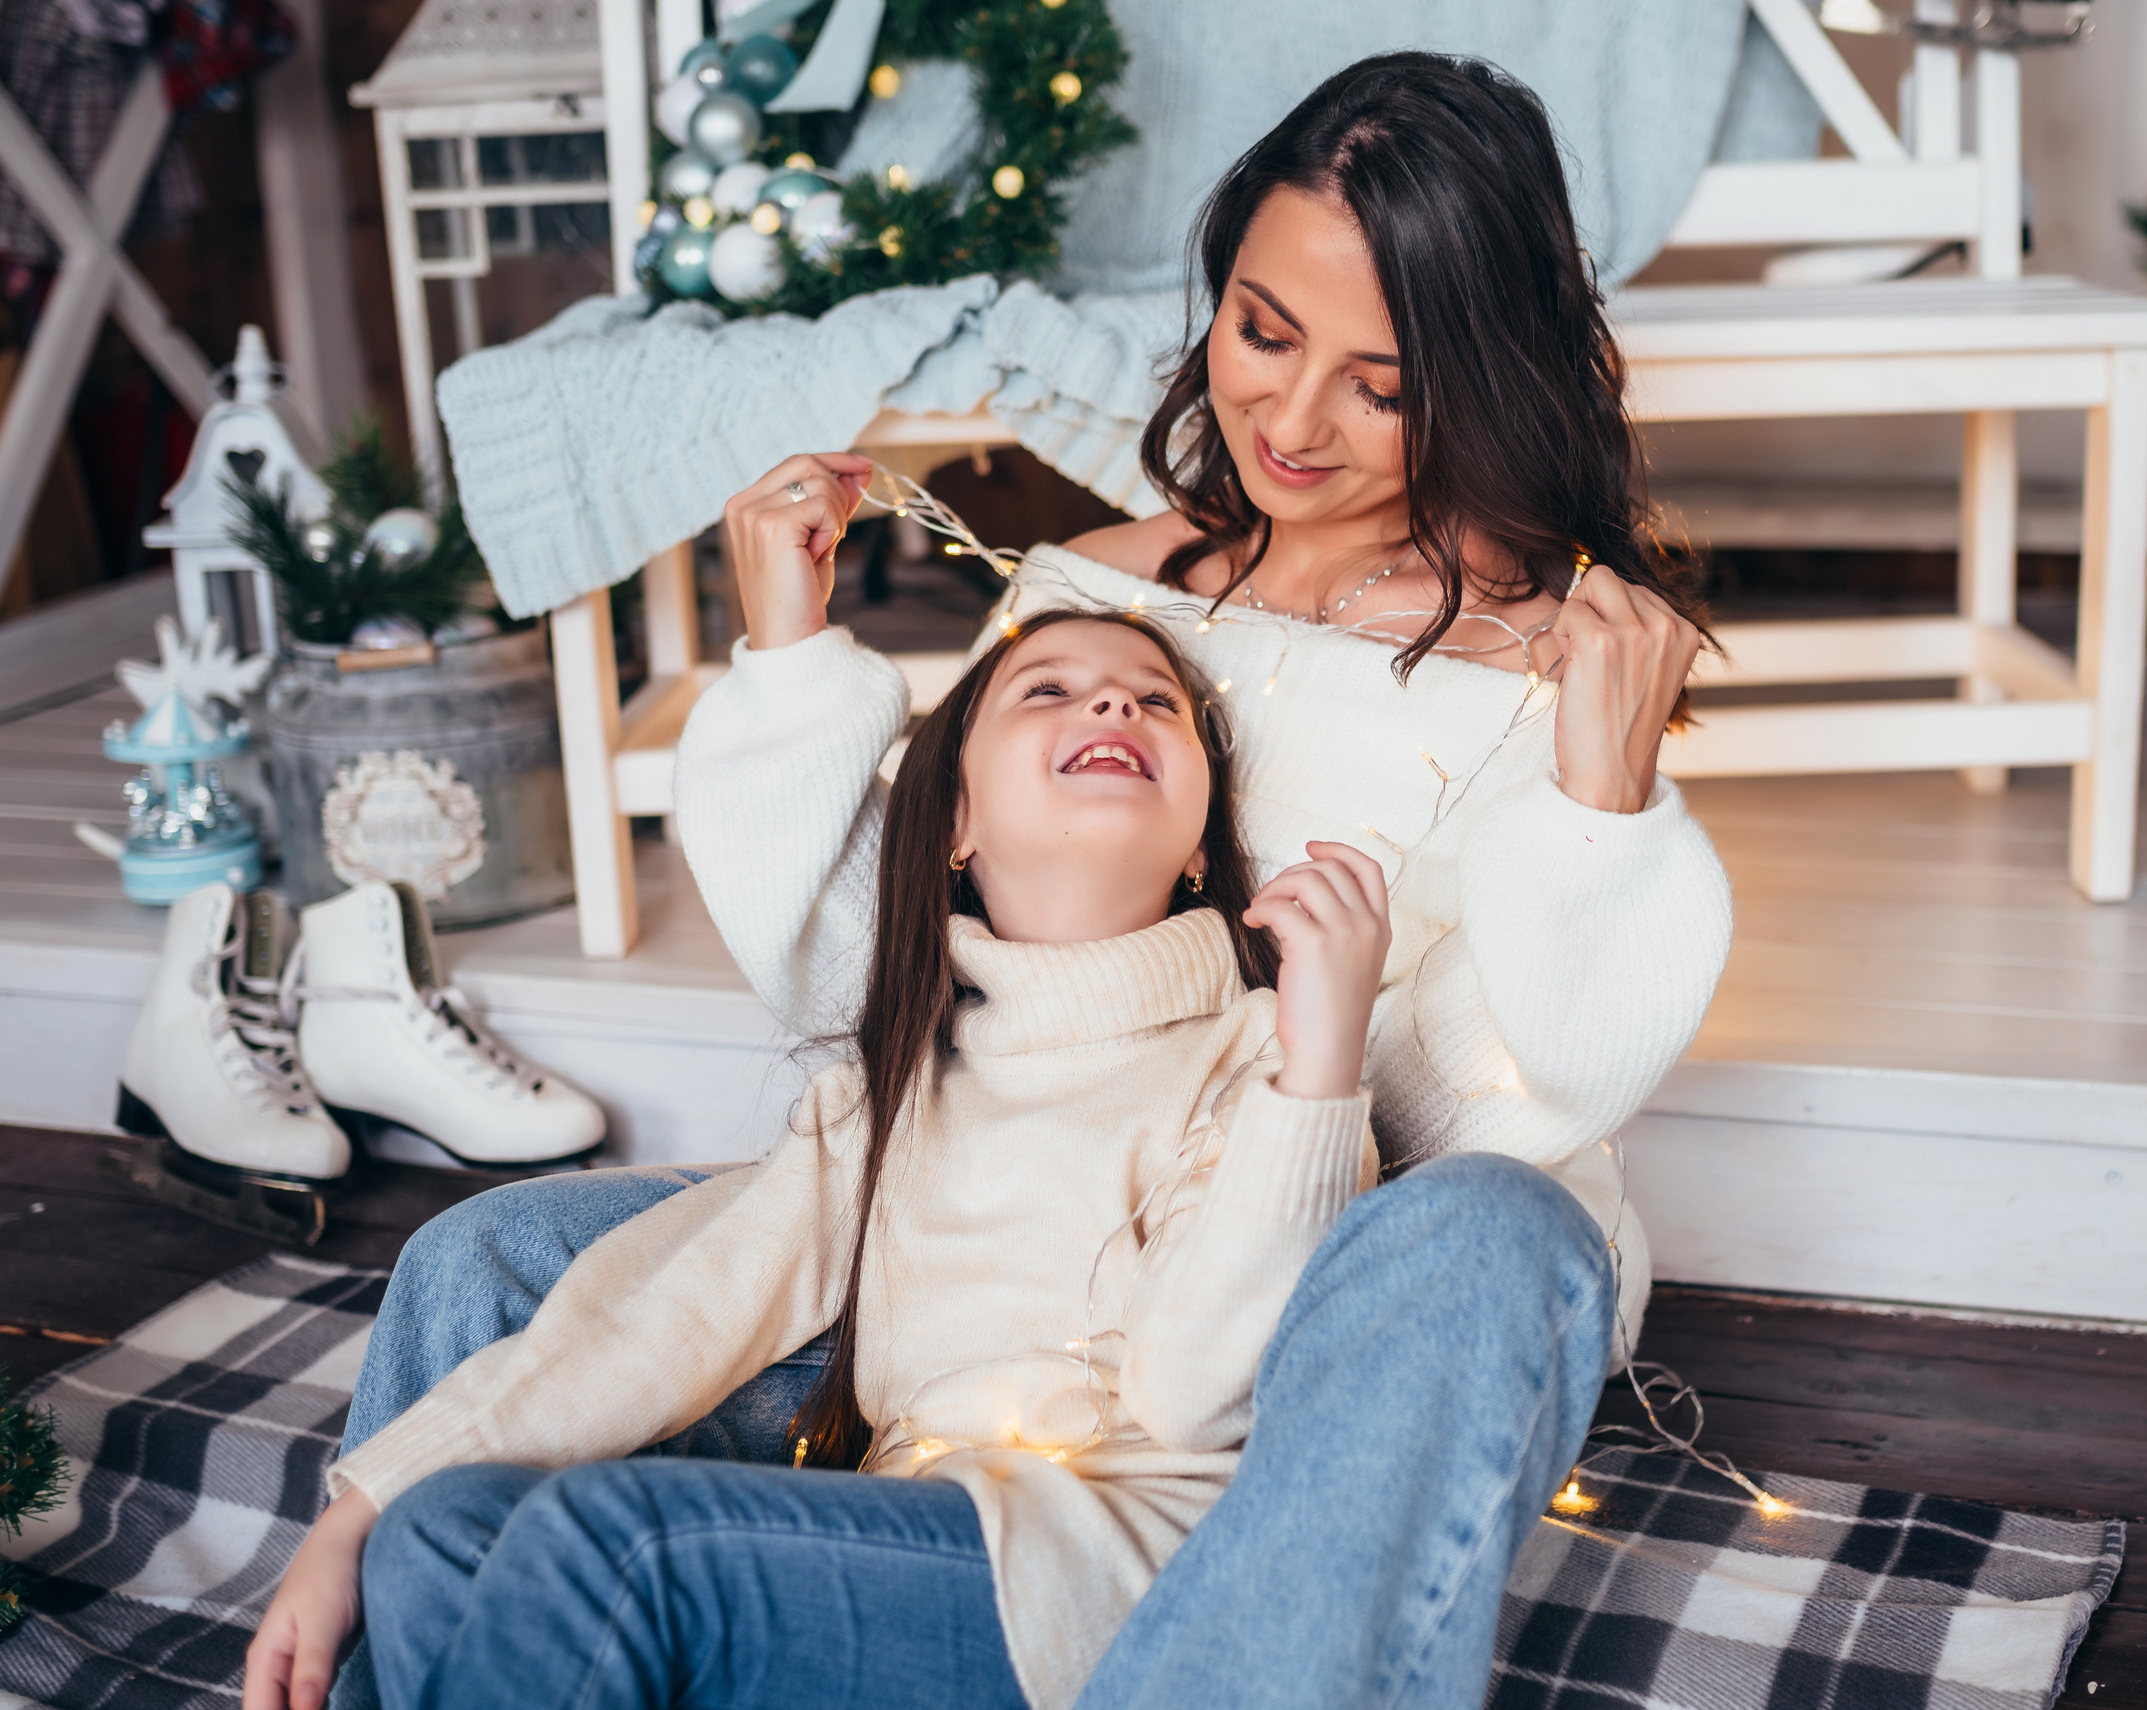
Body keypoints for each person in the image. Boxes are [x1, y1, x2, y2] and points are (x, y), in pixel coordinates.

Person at [308, 47, 1730, 1710]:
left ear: (1479, 376)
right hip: (1003, 1254)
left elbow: (1499, 1117)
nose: (1287, 418)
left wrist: (1603, 813)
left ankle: (1169, 1631)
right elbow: (889, 984)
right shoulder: (1102, 588)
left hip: (1277, 1328)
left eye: (1383, 383)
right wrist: (784, 664)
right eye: (1264, 332)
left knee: (1498, 1225)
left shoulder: (1547, 677)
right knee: (485, 1270)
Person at [245, 609, 1392, 1710]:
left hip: (1130, 1586)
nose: (1111, 700)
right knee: (443, 1533)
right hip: (895, 1557)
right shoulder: (887, 1101)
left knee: (605, 1541)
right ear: (954, 826)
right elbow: (664, 1315)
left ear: (1199, 845)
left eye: (1158, 704)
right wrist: (358, 1511)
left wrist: (1322, 1052)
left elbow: (1203, 1397)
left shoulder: (1271, 1069)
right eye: (1049, 689)